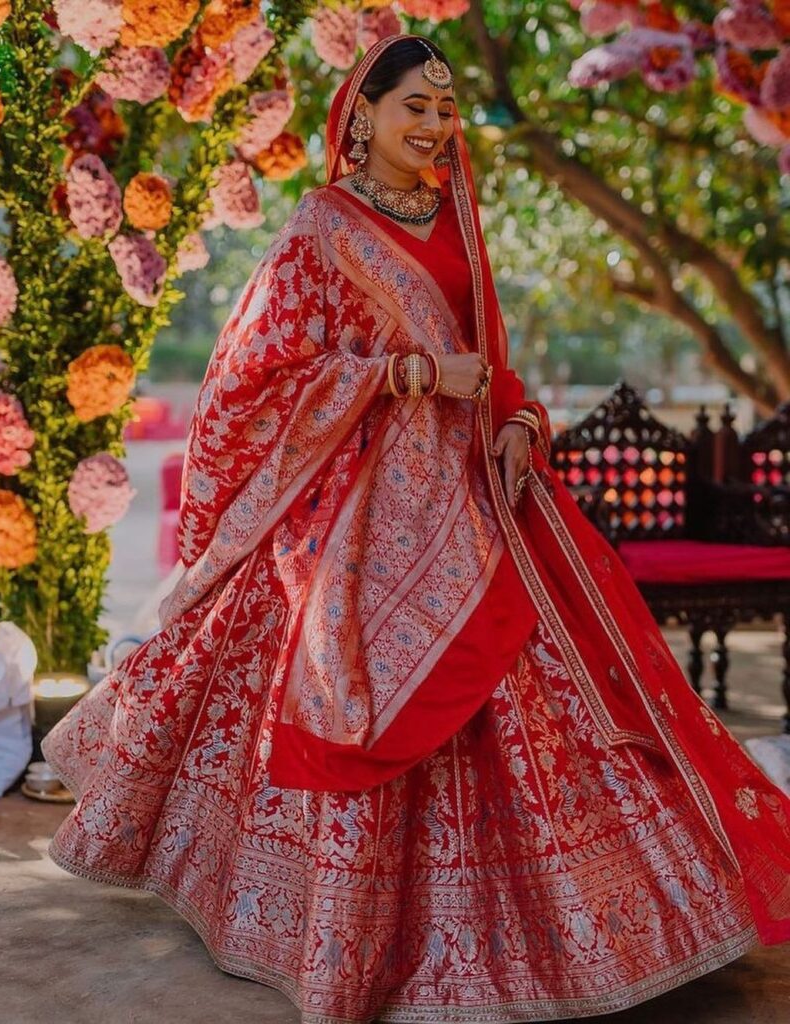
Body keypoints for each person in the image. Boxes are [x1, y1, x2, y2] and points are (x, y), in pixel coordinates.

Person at [42, 33, 790, 1024]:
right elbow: (247, 384)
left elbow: (489, 358)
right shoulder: (318, 229)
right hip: (350, 517)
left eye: (446, 108)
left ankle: (582, 930)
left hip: (482, 501)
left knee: (545, 692)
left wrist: (520, 420)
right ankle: (344, 929)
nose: (437, 125)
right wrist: (402, 376)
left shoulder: (459, 223)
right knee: (356, 688)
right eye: (416, 107)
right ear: (361, 116)